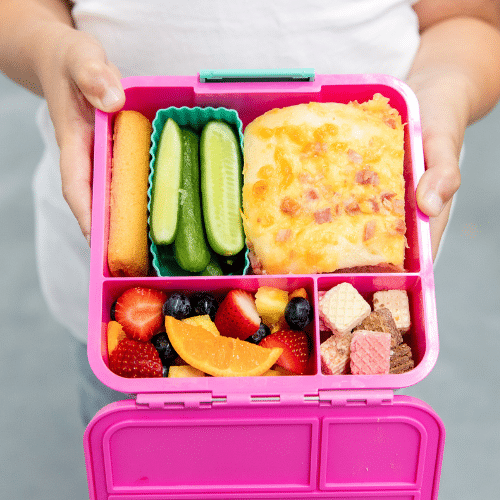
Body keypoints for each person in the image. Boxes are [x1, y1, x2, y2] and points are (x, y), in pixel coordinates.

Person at [1, 0, 500, 424]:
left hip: (373, 198)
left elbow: (471, 18)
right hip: (104, 270)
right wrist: (48, 49)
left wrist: (446, 89)